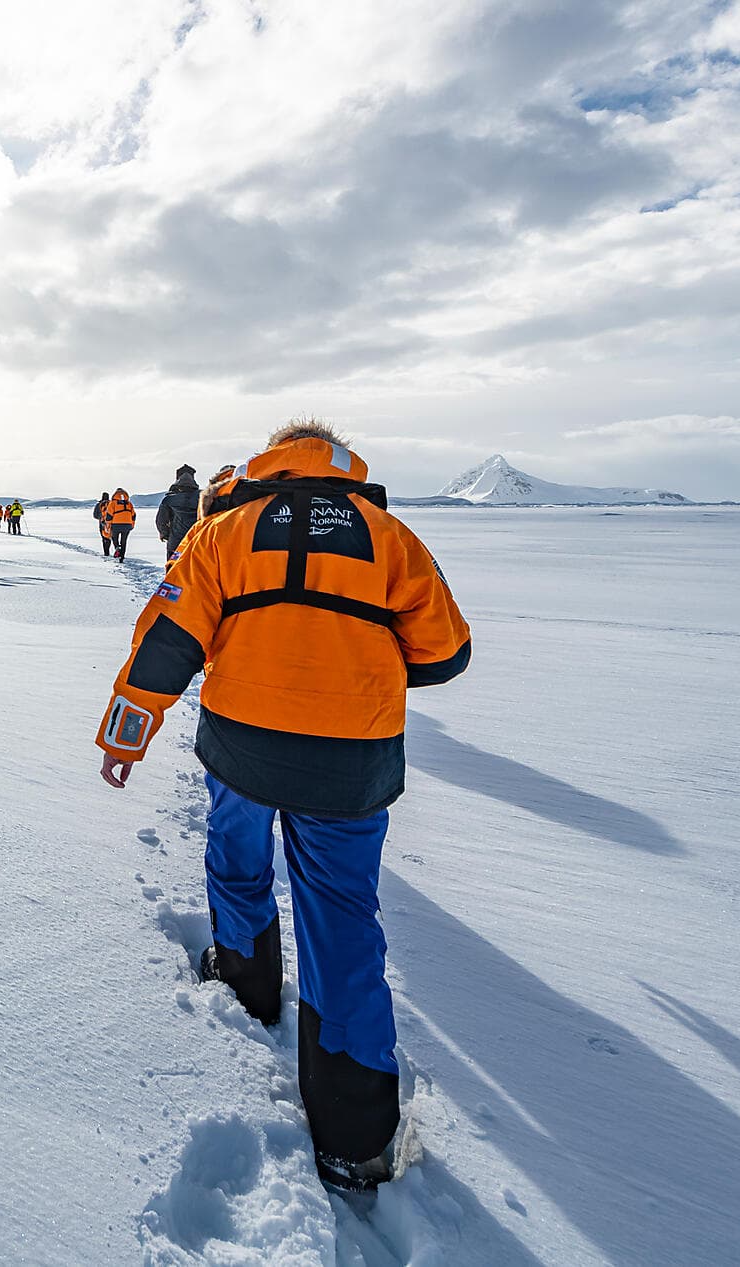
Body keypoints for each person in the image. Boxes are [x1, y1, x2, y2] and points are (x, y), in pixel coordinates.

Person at [94, 419, 471, 1194]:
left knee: (236, 861)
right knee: (341, 917)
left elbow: (169, 638)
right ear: (336, 461)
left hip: (243, 745)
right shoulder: (390, 537)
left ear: (272, 459)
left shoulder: (224, 532)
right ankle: (356, 1137)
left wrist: (127, 733)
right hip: (352, 760)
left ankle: (245, 982)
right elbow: (445, 652)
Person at [156, 464, 201, 559]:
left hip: (176, 544)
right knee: (195, 572)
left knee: (173, 569)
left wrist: (165, 535)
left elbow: (161, 521)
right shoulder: (203, 497)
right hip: (196, 543)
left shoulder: (169, 499)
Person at [104, 488, 136, 558]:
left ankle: (117, 548)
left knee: (114, 537)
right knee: (124, 541)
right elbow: (133, 515)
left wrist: (108, 525)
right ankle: (122, 556)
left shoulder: (112, 503)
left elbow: (109, 515)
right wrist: (132, 525)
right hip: (127, 525)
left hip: (116, 525)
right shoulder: (129, 503)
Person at [92, 492, 113, 558]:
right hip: (111, 523)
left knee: (104, 538)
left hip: (102, 524)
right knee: (110, 537)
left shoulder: (99, 505)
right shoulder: (111, 504)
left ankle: (106, 553)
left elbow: (95, 515)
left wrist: (100, 518)